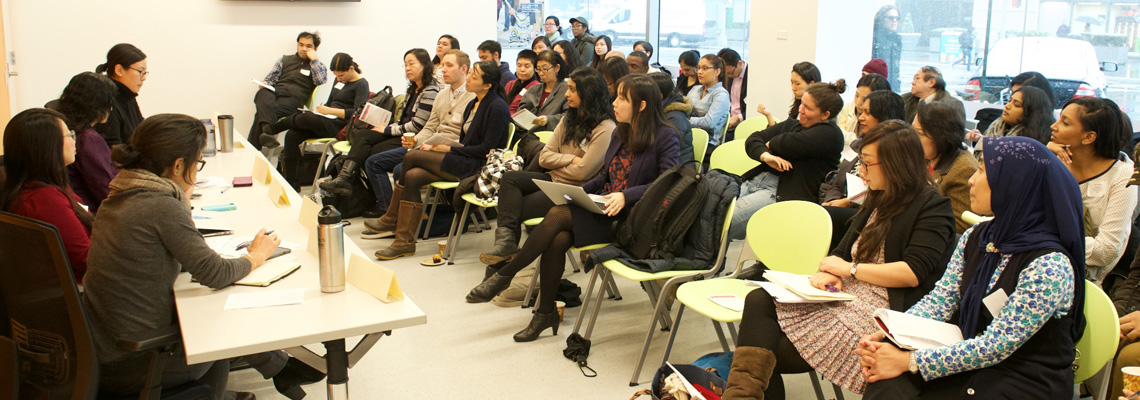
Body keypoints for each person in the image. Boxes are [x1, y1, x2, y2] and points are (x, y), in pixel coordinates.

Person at [83, 114, 326, 400]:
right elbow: (216, 274)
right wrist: (255, 256)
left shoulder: (122, 193)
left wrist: (179, 201)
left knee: (209, 302)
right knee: (220, 316)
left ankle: (277, 371)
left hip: (107, 349)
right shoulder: (159, 205)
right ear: (177, 166)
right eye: (197, 163)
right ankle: (259, 378)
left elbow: (182, 258)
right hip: (137, 362)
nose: (197, 172)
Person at [723, 120, 956, 399]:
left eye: (867, 164)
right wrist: (834, 271)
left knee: (764, 353)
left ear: (895, 164)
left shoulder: (932, 207)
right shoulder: (880, 196)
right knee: (759, 299)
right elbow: (845, 249)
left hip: (879, 313)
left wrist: (850, 270)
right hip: (846, 297)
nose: (862, 172)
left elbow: (912, 272)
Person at [856, 136, 1085, 400]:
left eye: (982, 171)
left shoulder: (1049, 265)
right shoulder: (979, 235)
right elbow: (941, 300)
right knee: (888, 382)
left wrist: (910, 360)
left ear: (1014, 185)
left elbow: (996, 345)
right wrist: (893, 332)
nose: (971, 180)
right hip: (969, 354)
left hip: (1022, 376)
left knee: (899, 377)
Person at [466, 75, 680, 342]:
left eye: (622, 98)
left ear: (642, 105)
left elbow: (668, 183)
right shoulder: (620, 132)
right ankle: (544, 313)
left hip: (632, 219)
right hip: (603, 207)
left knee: (557, 215)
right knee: (557, 239)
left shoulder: (665, 135)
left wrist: (626, 195)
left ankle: (506, 274)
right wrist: (579, 193)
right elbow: (605, 177)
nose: (615, 103)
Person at [372, 61, 511, 260]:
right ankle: (404, 242)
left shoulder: (497, 107)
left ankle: (392, 216)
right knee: (411, 175)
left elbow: (486, 149)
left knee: (411, 156)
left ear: (487, 85)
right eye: (470, 72)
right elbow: (465, 141)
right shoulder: (473, 103)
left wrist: (448, 147)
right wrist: (451, 147)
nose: (469, 78)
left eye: (474, 76)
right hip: (463, 157)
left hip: (478, 165)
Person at [479, 67, 615, 265]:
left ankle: (502, 264)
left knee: (512, 208)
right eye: (568, 88)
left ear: (590, 92)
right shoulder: (569, 118)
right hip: (553, 179)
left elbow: (584, 171)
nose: (567, 94)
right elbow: (544, 158)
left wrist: (561, 160)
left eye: (573, 89)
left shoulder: (605, 128)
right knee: (511, 178)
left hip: (572, 191)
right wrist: (570, 159)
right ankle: (505, 250)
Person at [362, 50, 474, 238]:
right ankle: (404, 230)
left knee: (401, 168)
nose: (443, 70)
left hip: (453, 152)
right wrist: (417, 142)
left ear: (463, 69)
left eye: (449, 66)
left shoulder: (472, 98)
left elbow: (468, 138)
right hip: (431, 147)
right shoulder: (443, 94)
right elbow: (430, 127)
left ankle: (394, 218)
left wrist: (433, 145)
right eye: (442, 65)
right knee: (406, 171)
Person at [730, 81, 847, 240]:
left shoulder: (831, 134)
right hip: (755, 181)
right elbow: (753, 140)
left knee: (724, 222)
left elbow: (786, 143)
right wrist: (767, 156)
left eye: (808, 108)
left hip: (779, 193)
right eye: (801, 104)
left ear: (825, 115)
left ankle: (705, 261)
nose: (801, 110)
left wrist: (771, 143)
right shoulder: (793, 125)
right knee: (709, 211)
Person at [320, 49, 440, 196]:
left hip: (412, 139)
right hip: (400, 133)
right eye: (405, 65)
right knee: (364, 135)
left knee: (367, 155)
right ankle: (345, 178)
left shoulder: (431, 91)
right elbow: (402, 120)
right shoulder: (413, 89)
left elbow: (417, 126)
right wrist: (387, 127)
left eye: (411, 64)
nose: (407, 68)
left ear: (425, 65)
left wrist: (387, 130)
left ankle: (381, 204)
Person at [1046, 97, 1136, 284]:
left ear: (1089, 137)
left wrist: (1046, 241)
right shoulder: (1052, 160)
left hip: (1083, 280)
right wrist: (1044, 156)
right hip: (1037, 263)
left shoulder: (1122, 175)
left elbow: (1107, 249)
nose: (1054, 126)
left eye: (1065, 122)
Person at [0, 108, 93, 282]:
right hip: (82, 289)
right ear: (48, 145)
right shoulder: (45, 198)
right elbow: (86, 259)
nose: (74, 141)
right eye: (68, 135)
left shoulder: (44, 187)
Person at [262, 53, 370, 191]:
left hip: (341, 126)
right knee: (292, 135)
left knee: (308, 118)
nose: (338, 79)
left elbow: (357, 114)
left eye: (341, 75)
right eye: (336, 76)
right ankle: (292, 184)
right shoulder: (339, 81)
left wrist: (330, 111)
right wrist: (321, 110)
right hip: (326, 119)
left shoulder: (361, 84)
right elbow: (330, 102)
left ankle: (275, 127)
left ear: (351, 69)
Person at [819, 90, 905, 246]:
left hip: (866, 210)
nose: (861, 118)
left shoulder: (894, 153)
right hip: (839, 204)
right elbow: (838, 181)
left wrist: (848, 202)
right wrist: (832, 200)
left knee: (822, 217)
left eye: (868, 113)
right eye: (861, 112)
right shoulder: (857, 144)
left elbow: (885, 194)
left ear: (884, 115)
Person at [247, 32, 328, 150]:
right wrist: (265, 84)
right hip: (274, 93)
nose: (304, 49)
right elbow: (270, 78)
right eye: (301, 45)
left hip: (293, 101)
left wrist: (314, 60)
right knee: (262, 93)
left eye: (308, 46)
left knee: (261, 114)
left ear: (315, 48)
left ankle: (253, 149)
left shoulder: (318, 66)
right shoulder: (284, 60)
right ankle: (267, 131)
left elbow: (320, 81)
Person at [57, 72, 120, 214]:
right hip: (95, 213)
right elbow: (107, 190)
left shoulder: (69, 130)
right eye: (109, 102)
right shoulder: (88, 138)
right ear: (96, 105)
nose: (111, 109)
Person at [914, 102, 978, 234]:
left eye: (919, 134)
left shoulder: (964, 170)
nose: (913, 138)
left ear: (940, 136)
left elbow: (958, 227)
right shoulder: (926, 157)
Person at [93, 43, 146, 147]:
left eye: (145, 72)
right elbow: (114, 153)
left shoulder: (128, 96)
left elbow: (142, 131)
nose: (143, 78)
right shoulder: (106, 101)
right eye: (140, 71)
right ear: (119, 70)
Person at [967, 86, 1054, 146]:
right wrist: (979, 140)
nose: (1007, 106)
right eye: (1009, 101)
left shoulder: (1034, 144)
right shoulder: (997, 126)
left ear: (1031, 112)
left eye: (1016, 104)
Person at [516, 50, 570, 138]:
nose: (541, 73)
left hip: (551, 137)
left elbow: (570, 117)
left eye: (545, 69)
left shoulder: (567, 90)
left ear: (557, 68)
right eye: (538, 69)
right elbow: (521, 110)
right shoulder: (534, 89)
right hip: (526, 135)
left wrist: (548, 120)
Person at [686, 54, 731, 155]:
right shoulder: (695, 89)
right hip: (688, 137)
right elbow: (683, 110)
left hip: (707, 143)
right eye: (698, 68)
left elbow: (709, 122)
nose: (700, 72)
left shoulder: (721, 94)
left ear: (717, 71)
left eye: (705, 68)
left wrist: (687, 121)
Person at [755, 62, 820, 128]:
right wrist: (768, 115)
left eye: (797, 84)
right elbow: (782, 131)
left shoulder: (817, 113)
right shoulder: (797, 105)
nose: (793, 88)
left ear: (811, 84)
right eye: (792, 83)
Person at [651, 71, 695, 165]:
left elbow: (664, 150)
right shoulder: (658, 110)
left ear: (660, 96)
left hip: (678, 172)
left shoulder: (675, 117)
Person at [837, 73, 891, 147]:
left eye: (864, 99)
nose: (858, 102)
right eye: (857, 95)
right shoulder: (849, 106)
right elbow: (839, 131)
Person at [872, 5, 903, 91]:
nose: (894, 21)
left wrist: (896, 88)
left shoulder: (897, 39)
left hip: (891, 85)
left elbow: (896, 67)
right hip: (877, 85)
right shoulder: (875, 38)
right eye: (891, 18)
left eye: (897, 18)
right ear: (882, 19)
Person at [718, 48, 749, 131]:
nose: (728, 76)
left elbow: (756, 106)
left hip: (745, 123)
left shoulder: (751, 75)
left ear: (740, 63)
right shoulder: (728, 76)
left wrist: (739, 117)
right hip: (728, 122)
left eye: (730, 73)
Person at [504, 50, 540, 114]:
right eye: (519, 65)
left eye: (527, 66)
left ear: (535, 69)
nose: (522, 70)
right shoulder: (510, 84)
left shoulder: (536, 87)